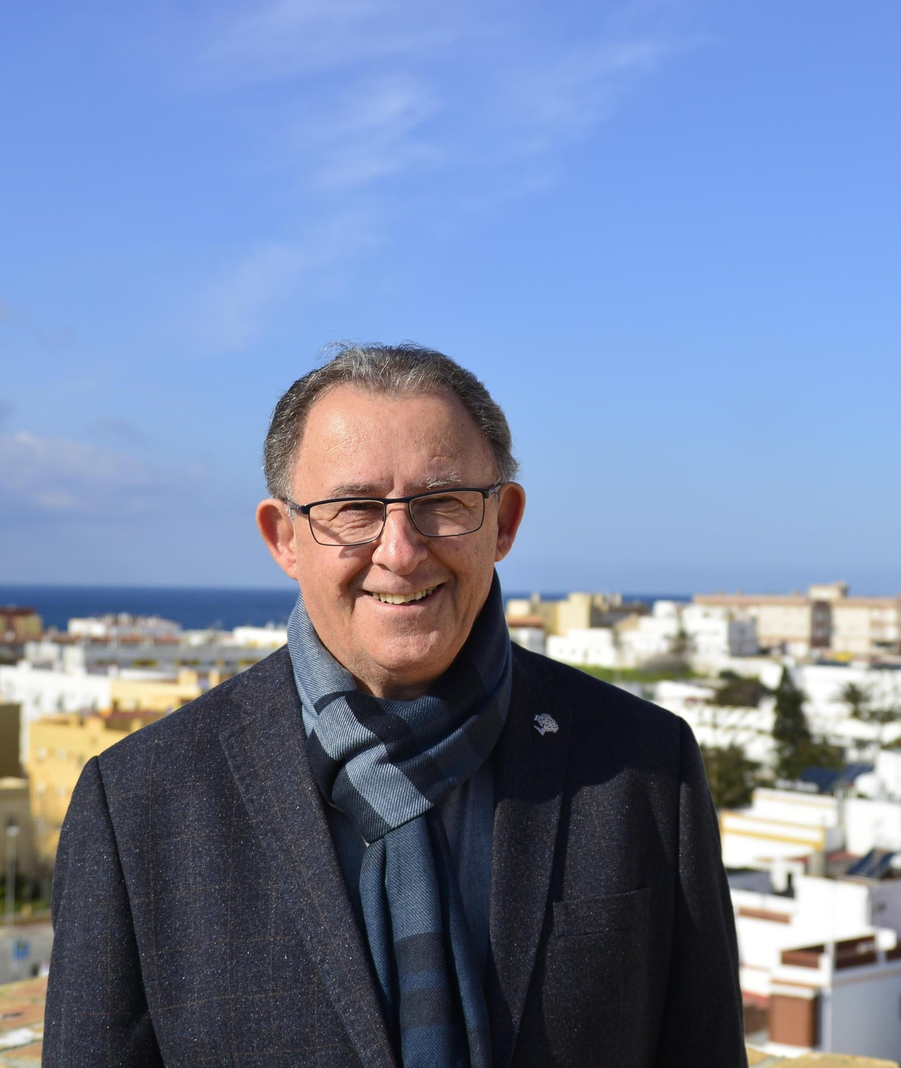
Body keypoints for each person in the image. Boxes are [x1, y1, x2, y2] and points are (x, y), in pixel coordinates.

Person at [43, 343, 746, 1068]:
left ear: (503, 521)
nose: (402, 551)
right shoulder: (138, 806)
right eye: (355, 510)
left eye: (442, 504)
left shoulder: (644, 769)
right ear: (284, 538)